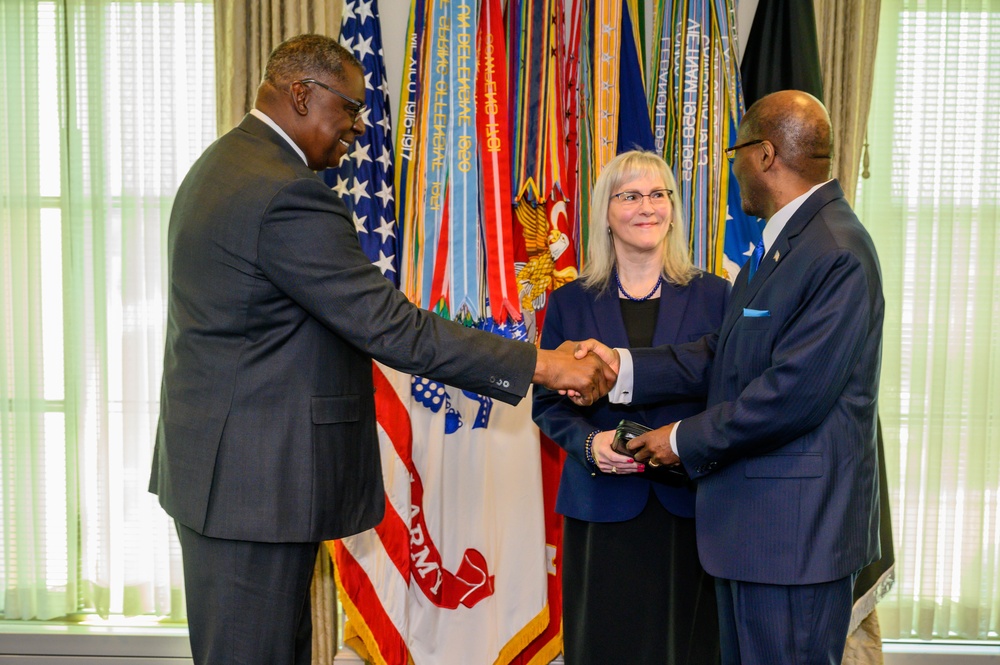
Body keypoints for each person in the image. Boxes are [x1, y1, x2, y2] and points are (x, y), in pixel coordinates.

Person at [149, 34, 612, 665]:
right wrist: (546, 363)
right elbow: (393, 328)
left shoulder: (226, 162)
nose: (358, 129)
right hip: (252, 489)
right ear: (302, 94)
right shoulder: (284, 193)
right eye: (349, 109)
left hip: (232, 477)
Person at [578, 91, 884, 664]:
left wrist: (675, 440)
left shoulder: (836, 251)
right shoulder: (783, 245)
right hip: (753, 534)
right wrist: (623, 367)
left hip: (795, 543)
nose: (731, 166)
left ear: (765, 154)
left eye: (735, 151)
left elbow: (790, 396)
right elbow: (727, 352)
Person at [533, 151, 728, 664]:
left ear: (673, 207)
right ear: (605, 212)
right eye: (631, 196)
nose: (648, 207)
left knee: (687, 649)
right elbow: (547, 404)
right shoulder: (571, 301)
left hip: (689, 509)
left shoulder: (716, 297)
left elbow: (730, 396)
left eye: (658, 194)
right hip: (600, 509)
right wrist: (589, 445)